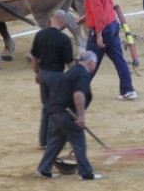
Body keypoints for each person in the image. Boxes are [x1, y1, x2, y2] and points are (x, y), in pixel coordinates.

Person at [36, 50, 103, 180]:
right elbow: (78, 94)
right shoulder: (83, 74)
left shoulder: (72, 71)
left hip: (55, 110)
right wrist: (81, 116)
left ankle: (44, 169)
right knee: (79, 141)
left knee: (56, 142)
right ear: (91, 63)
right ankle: (85, 173)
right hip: (67, 113)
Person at [80, 0, 137, 100]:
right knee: (119, 60)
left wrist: (99, 35)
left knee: (89, 61)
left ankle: (78, 90)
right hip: (112, 26)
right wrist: (84, 18)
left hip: (102, 30)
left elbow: (99, 15)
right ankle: (128, 90)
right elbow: (105, 8)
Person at [31, 9, 75, 148]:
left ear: (52, 19)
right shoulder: (64, 39)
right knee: (57, 109)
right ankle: (52, 139)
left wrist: (37, 73)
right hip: (56, 76)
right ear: (63, 22)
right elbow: (70, 63)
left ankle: (43, 140)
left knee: (46, 107)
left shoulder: (40, 35)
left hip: (43, 74)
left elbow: (34, 57)